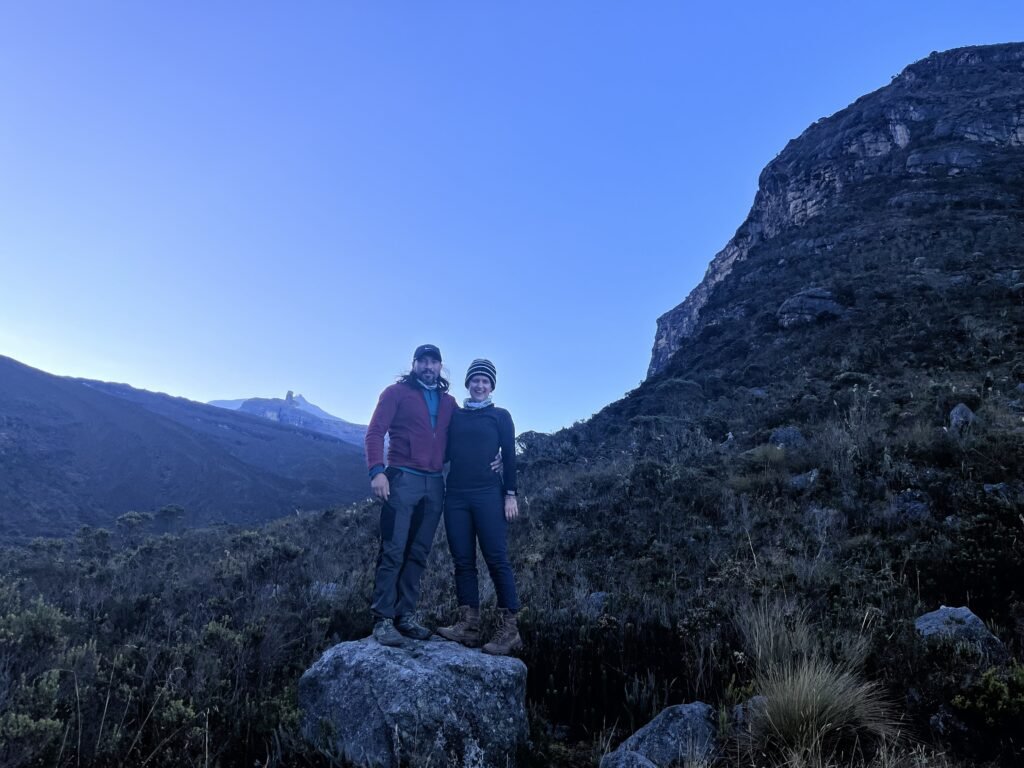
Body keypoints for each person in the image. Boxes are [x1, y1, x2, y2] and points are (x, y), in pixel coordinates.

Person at [365, 344, 458, 648]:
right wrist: (377, 471)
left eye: (433, 362)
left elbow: (463, 438)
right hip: (403, 478)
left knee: (418, 552)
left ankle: (405, 616)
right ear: (414, 364)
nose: (428, 366)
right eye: (423, 361)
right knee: (393, 549)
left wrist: (493, 457)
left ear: (440, 366)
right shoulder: (396, 393)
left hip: (435, 484)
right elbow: (375, 432)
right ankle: (382, 619)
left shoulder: (449, 402)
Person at [437, 358, 523, 655]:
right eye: (475, 380)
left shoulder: (500, 416)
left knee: (497, 559)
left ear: (492, 386)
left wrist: (510, 494)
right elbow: (444, 451)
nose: (480, 385)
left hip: (488, 494)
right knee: (463, 561)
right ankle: (469, 626)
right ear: (468, 383)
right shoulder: (456, 416)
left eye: (485, 381)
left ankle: (510, 630)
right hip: (456, 496)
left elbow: (509, 456)